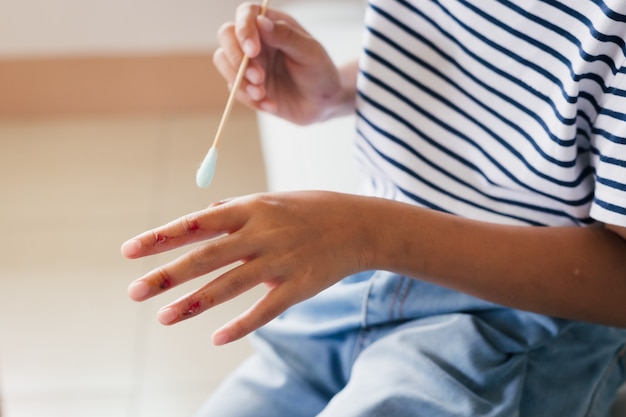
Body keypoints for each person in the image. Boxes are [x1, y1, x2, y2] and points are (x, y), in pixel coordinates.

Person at [121, 1, 626, 416]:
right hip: (358, 291)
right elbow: (504, 64)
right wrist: (334, 90)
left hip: (517, 329)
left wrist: (368, 233)